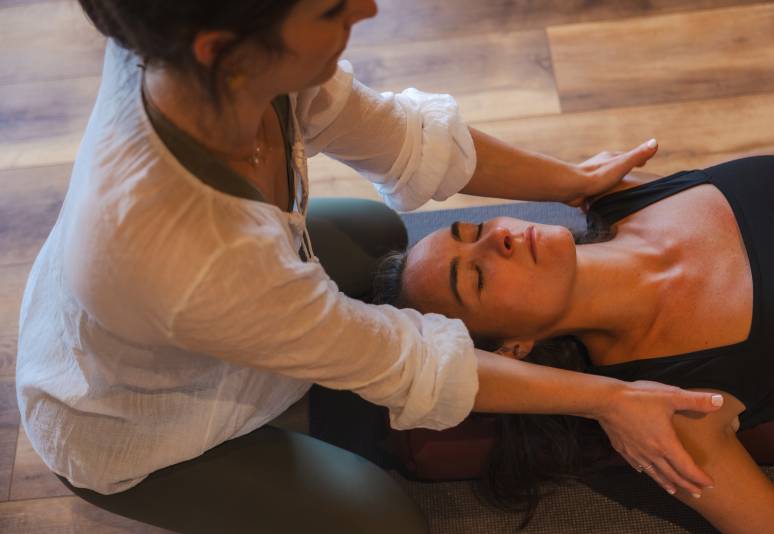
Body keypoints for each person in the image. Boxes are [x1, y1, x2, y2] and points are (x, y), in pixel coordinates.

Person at [15, 0, 722, 517]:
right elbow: (405, 362)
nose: (369, 8)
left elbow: (389, 130)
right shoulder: (188, 259)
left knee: (375, 228)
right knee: (379, 516)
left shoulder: (206, 59)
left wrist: (572, 180)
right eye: (333, 10)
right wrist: (614, 400)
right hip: (132, 422)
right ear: (220, 50)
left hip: (193, 305)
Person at [372, 153, 774, 533]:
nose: (497, 238)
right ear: (513, 349)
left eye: (476, 229)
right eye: (477, 278)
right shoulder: (672, 407)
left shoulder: (622, 194)